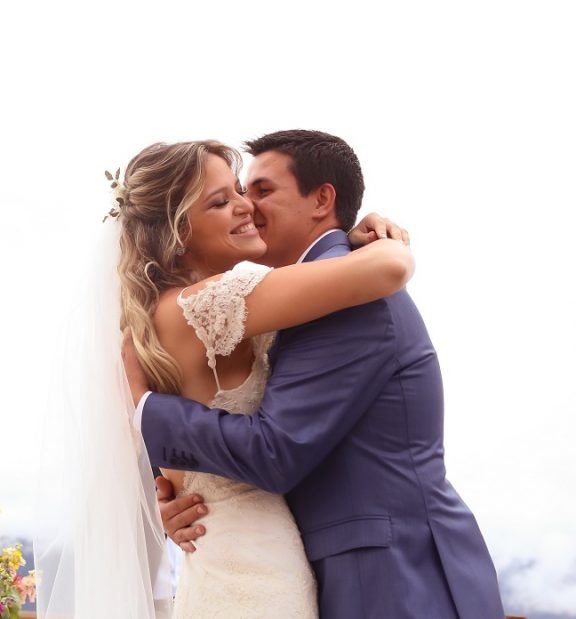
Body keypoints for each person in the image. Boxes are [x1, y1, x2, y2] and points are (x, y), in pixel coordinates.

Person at [126, 130, 504, 618]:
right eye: (232, 196)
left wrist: (150, 415)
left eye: (259, 191)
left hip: (393, 578)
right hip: (316, 568)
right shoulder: (287, 295)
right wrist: (184, 494)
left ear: (322, 199)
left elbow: (274, 451)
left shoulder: (347, 295)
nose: (247, 206)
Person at [34, 138, 413, 619]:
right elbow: (392, 266)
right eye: (221, 201)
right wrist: (373, 235)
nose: (246, 206)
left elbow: (180, 465)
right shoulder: (208, 304)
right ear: (178, 233)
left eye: (241, 190)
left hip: (220, 565)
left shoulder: (162, 318)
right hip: (257, 575)